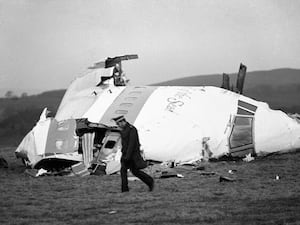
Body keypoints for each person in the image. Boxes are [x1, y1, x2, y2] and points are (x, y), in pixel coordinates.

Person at [112, 115, 154, 192]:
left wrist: (127, 156)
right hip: (125, 154)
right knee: (124, 171)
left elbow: (132, 144)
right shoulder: (123, 130)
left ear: (122, 121)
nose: (118, 125)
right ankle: (125, 189)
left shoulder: (132, 129)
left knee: (135, 171)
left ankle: (149, 181)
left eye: (118, 123)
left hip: (132, 155)